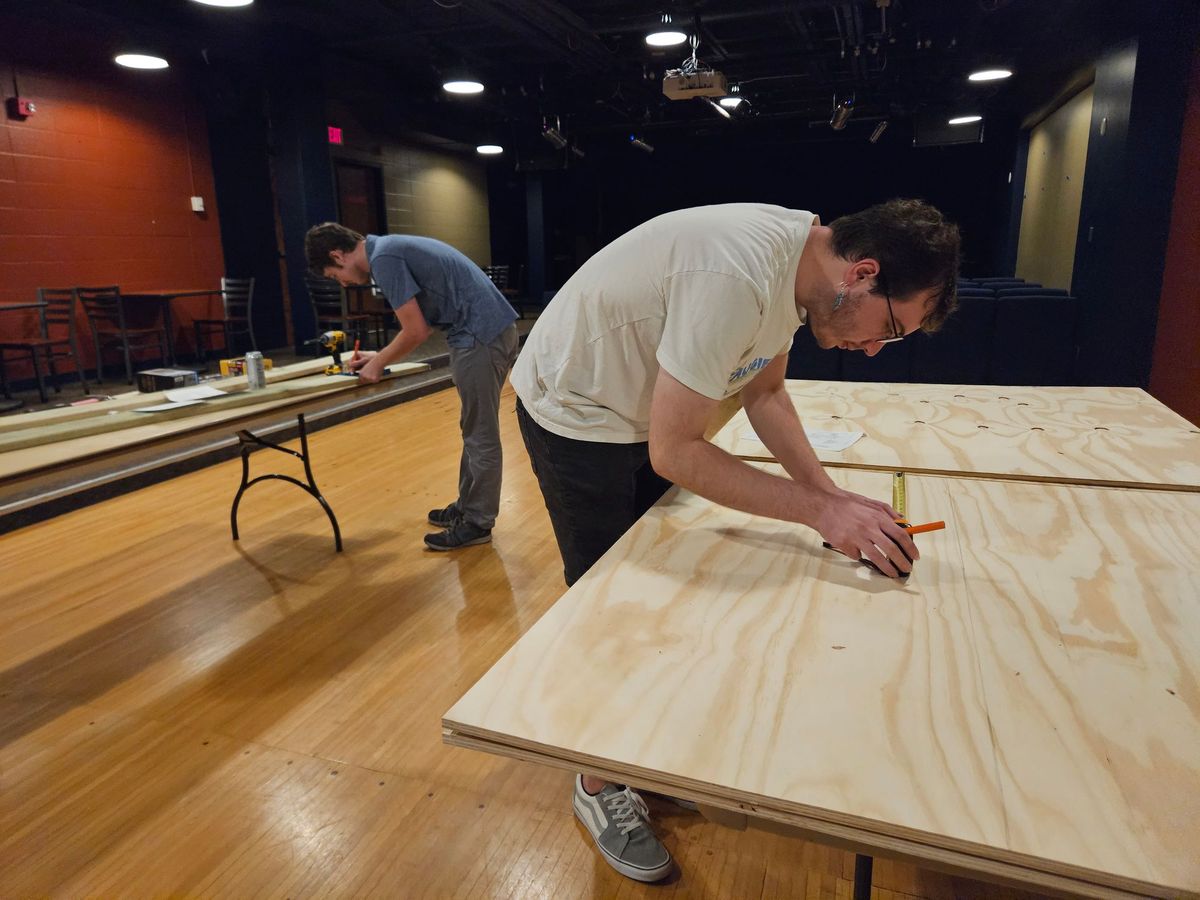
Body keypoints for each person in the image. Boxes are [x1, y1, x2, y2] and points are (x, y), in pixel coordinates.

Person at [510, 198, 960, 882]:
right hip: (576, 411)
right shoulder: (738, 275)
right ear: (862, 274)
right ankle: (597, 785)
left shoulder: (798, 270)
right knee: (609, 603)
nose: (873, 349)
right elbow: (676, 451)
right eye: (890, 329)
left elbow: (766, 393)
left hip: (637, 408)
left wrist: (831, 496)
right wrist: (817, 514)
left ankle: (637, 749)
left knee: (662, 583)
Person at [305, 223, 519, 551]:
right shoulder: (389, 248)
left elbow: (416, 330)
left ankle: (478, 522)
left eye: (336, 276)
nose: (344, 284)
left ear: (338, 255)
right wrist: (381, 355)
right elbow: (424, 318)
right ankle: (468, 506)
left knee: (480, 432)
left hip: (479, 335)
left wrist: (378, 363)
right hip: (483, 330)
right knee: (473, 427)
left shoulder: (385, 258)